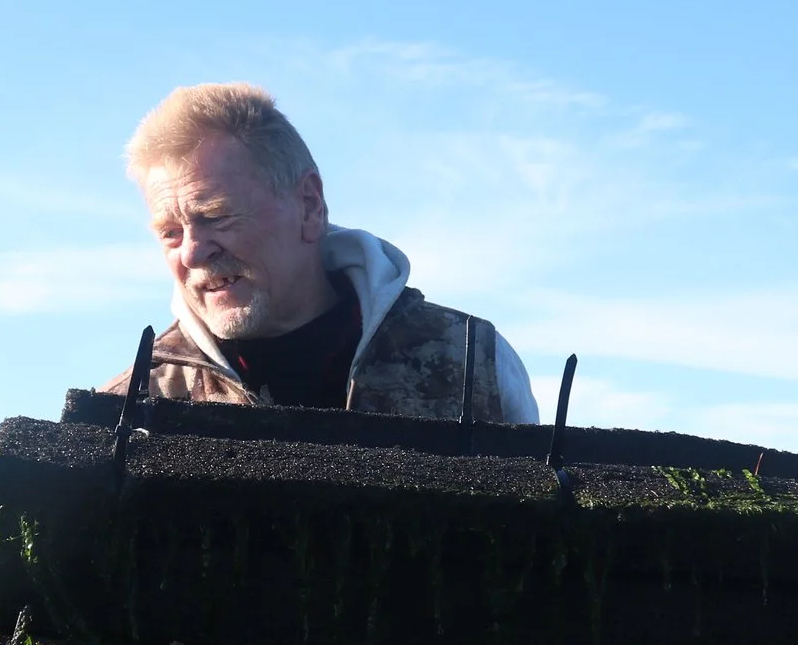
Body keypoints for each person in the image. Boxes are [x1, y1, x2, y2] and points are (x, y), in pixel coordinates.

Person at [102, 84, 539, 420]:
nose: (193, 254)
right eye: (170, 233)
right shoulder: (129, 407)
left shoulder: (471, 364)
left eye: (216, 216)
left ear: (310, 206)